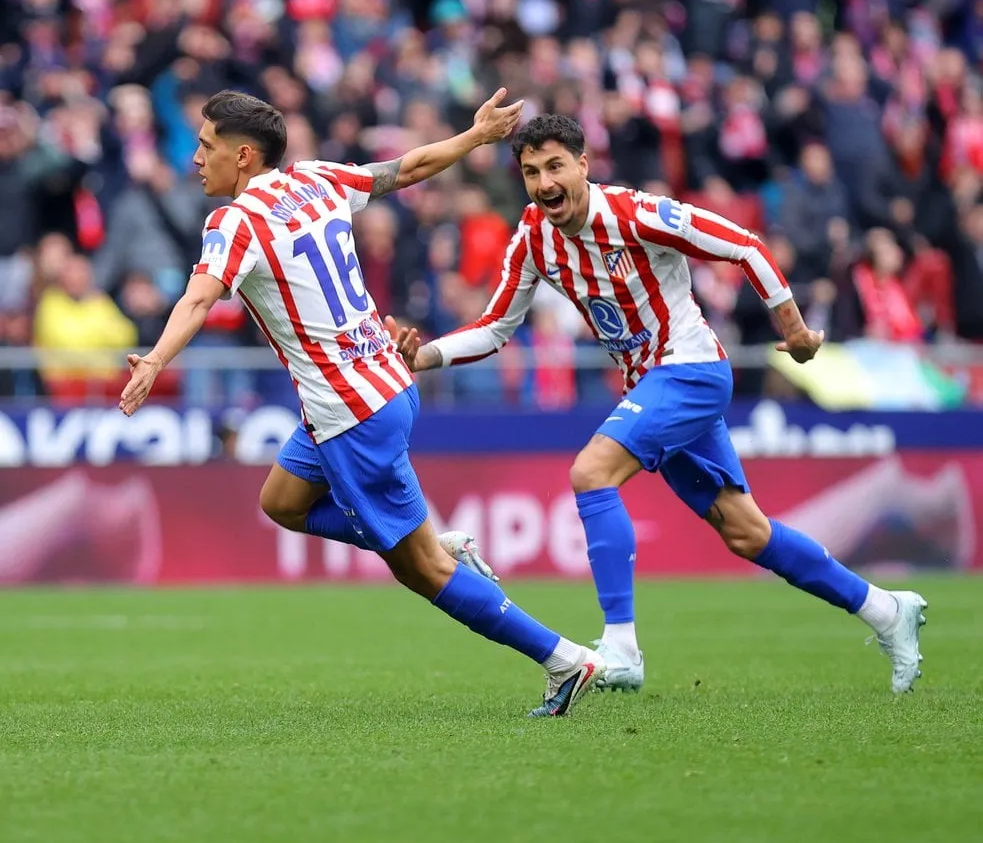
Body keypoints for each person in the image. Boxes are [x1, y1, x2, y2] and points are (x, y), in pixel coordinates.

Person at [388, 115, 928, 695]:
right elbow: (496, 328)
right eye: (530, 172)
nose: (544, 184)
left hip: (690, 371)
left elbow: (743, 245)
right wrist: (428, 357)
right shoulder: (534, 237)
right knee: (747, 533)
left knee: (591, 471)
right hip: (650, 385)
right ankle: (885, 610)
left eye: (554, 167)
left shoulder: (636, 213)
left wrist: (794, 330)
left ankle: (621, 646)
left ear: (583, 165)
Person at [119, 90, 605, 717]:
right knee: (283, 501)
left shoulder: (234, 222)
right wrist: (475, 137)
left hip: (352, 414)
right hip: (382, 386)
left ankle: (564, 659)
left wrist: (155, 359)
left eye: (206, 146)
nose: (195, 159)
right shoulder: (318, 179)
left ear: (242, 157)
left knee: (423, 572)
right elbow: (408, 168)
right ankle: (425, 538)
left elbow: (197, 299)